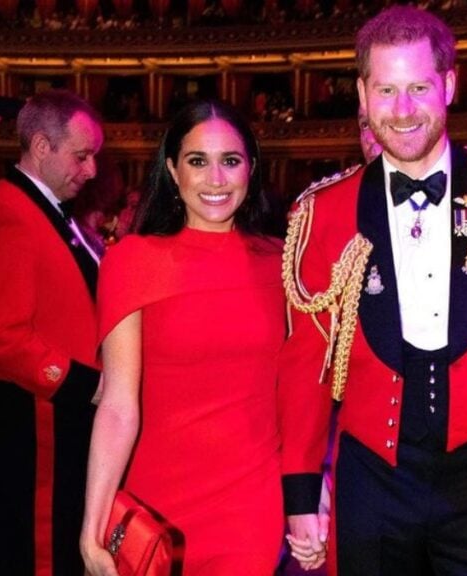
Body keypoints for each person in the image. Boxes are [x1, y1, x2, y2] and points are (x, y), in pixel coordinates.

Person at [279, 6, 467, 575]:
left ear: (448, 85)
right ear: (364, 96)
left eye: (418, 87)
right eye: (387, 90)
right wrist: (301, 494)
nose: (401, 111)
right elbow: (306, 366)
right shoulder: (323, 211)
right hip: (371, 480)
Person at [79, 100, 285, 575]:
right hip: (157, 506)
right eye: (198, 161)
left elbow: (295, 393)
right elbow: (116, 404)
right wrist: (92, 528)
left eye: (230, 161)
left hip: (250, 507)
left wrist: (306, 489)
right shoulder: (131, 261)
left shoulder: (281, 262)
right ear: (172, 170)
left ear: (251, 168)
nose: (215, 179)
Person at [0, 89, 104, 575]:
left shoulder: (45, 212)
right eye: (82, 156)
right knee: (41, 555)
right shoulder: (8, 214)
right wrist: (84, 383)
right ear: (41, 147)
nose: (91, 171)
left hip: (59, 414)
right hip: (37, 416)